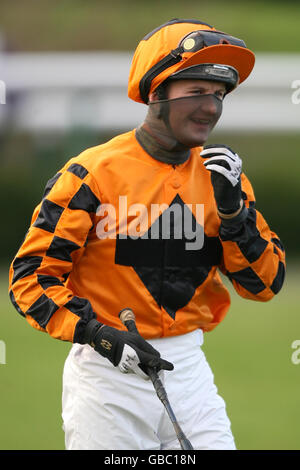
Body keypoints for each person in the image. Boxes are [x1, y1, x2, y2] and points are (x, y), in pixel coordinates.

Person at [9, 19, 286, 450]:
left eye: (218, 94)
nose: (210, 107)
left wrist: (233, 216)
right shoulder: (91, 174)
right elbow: (30, 279)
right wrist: (95, 333)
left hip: (189, 368)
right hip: (106, 374)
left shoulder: (224, 178)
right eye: (196, 92)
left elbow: (265, 285)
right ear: (155, 92)